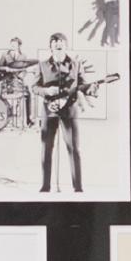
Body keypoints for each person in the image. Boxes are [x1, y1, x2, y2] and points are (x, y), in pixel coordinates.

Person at [34, 33, 84, 192]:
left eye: (61, 41)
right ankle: (45, 187)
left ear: (66, 45)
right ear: (50, 46)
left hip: (70, 110)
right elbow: (34, 87)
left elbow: (83, 85)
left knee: (74, 149)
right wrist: (46, 91)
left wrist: (89, 90)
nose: (58, 43)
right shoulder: (42, 65)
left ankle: (78, 188)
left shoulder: (76, 64)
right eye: (54, 41)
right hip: (49, 111)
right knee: (46, 149)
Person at [0, 37, 37, 127]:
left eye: (14, 44)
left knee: (28, 94)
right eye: (11, 44)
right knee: (2, 97)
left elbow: (24, 69)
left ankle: (28, 119)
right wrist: (6, 68)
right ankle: (2, 118)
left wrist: (22, 75)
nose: (12, 46)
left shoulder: (23, 56)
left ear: (19, 46)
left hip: (18, 81)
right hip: (7, 80)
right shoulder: (5, 55)